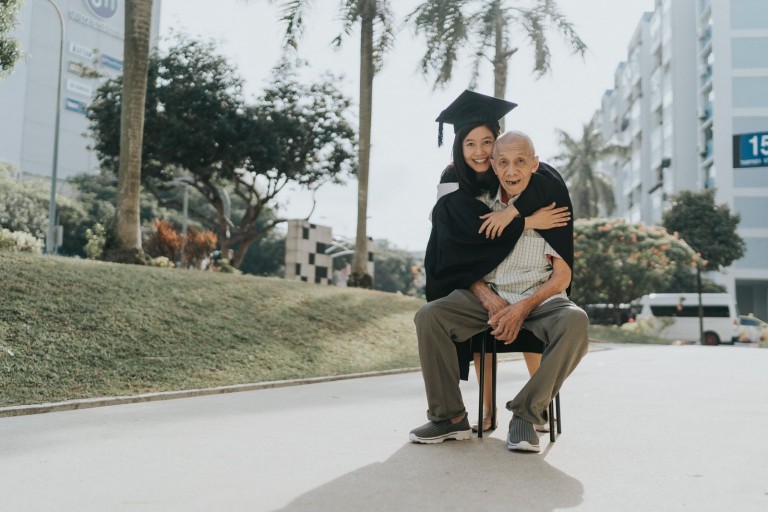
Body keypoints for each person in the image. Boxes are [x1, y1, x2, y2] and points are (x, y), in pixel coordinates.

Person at [411, 127, 589, 453]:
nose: (511, 170)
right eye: (503, 162)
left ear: (535, 164)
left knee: (576, 322)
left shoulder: (551, 206)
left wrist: (522, 308)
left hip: (539, 299)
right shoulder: (477, 205)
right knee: (429, 316)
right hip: (488, 298)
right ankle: (449, 417)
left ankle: (526, 413)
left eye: (520, 161)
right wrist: (488, 298)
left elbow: (561, 277)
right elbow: (464, 261)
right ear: (493, 166)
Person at [430, 92, 570, 433]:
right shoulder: (453, 180)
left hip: (529, 277)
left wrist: (511, 213)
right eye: (470, 144)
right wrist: (528, 221)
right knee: (478, 316)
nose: (479, 152)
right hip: (471, 270)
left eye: (487, 143)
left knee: (534, 305)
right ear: (460, 148)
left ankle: (536, 408)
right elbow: (463, 239)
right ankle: (485, 407)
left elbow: (548, 182)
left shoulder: (515, 167)